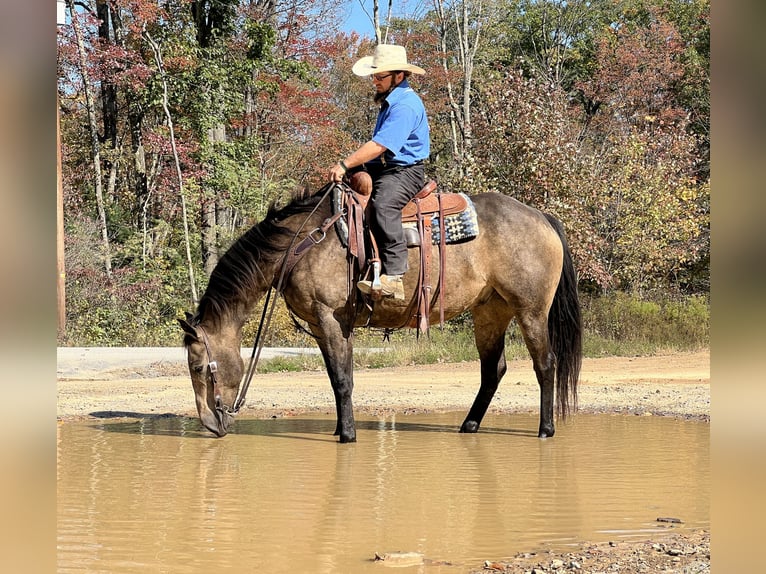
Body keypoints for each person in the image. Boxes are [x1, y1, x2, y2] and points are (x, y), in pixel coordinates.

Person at [328, 44, 430, 300]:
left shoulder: (405, 105)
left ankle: (394, 276)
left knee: (383, 205)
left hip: (405, 171)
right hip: (386, 167)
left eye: (379, 76)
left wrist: (344, 164)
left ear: (399, 76)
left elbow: (380, 145)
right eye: (373, 76)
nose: (374, 81)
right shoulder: (390, 102)